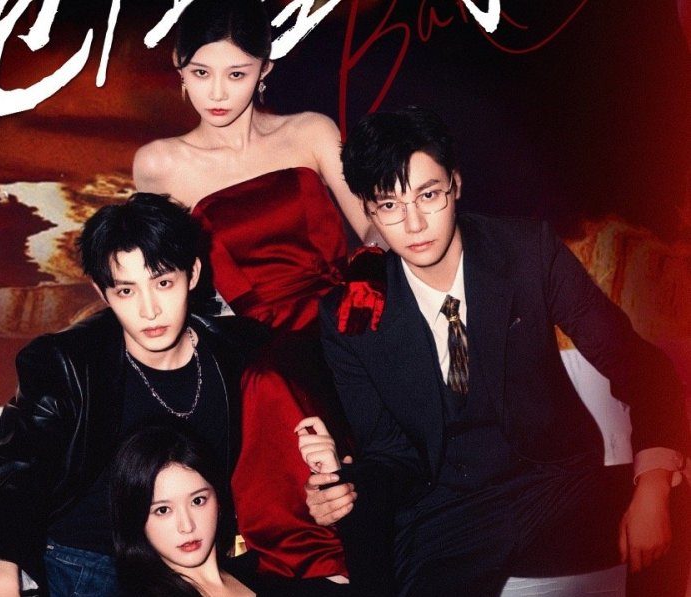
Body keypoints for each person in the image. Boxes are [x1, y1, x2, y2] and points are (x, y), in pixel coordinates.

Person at [308, 106, 689, 595]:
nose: (414, 223)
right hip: (443, 514)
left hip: (551, 485)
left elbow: (641, 368)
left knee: (675, 494)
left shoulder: (527, 252)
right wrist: (344, 489)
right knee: (367, 529)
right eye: (390, 205)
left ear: (456, 184)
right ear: (368, 210)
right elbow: (389, 455)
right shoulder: (351, 314)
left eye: (428, 195)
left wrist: (653, 483)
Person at [132, 0, 379, 587]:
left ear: (265, 69)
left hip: (346, 312)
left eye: (237, 73)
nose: (218, 93)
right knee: (268, 381)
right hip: (253, 334)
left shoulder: (311, 131)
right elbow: (161, 274)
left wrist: (363, 291)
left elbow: (373, 227)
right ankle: (320, 566)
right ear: (179, 67)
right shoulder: (160, 163)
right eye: (201, 73)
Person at [0, 193, 266, 597]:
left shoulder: (236, 354)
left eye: (163, 283)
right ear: (102, 292)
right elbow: (17, 470)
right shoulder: (67, 362)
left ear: (192, 274)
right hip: (59, 560)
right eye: (126, 291)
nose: (150, 310)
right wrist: (4, 572)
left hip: (164, 570)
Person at [111, 424, 272, 597]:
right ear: (135, 517)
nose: (187, 526)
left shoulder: (264, 573)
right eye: (163, 510)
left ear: (218, 500)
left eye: (197, 501)